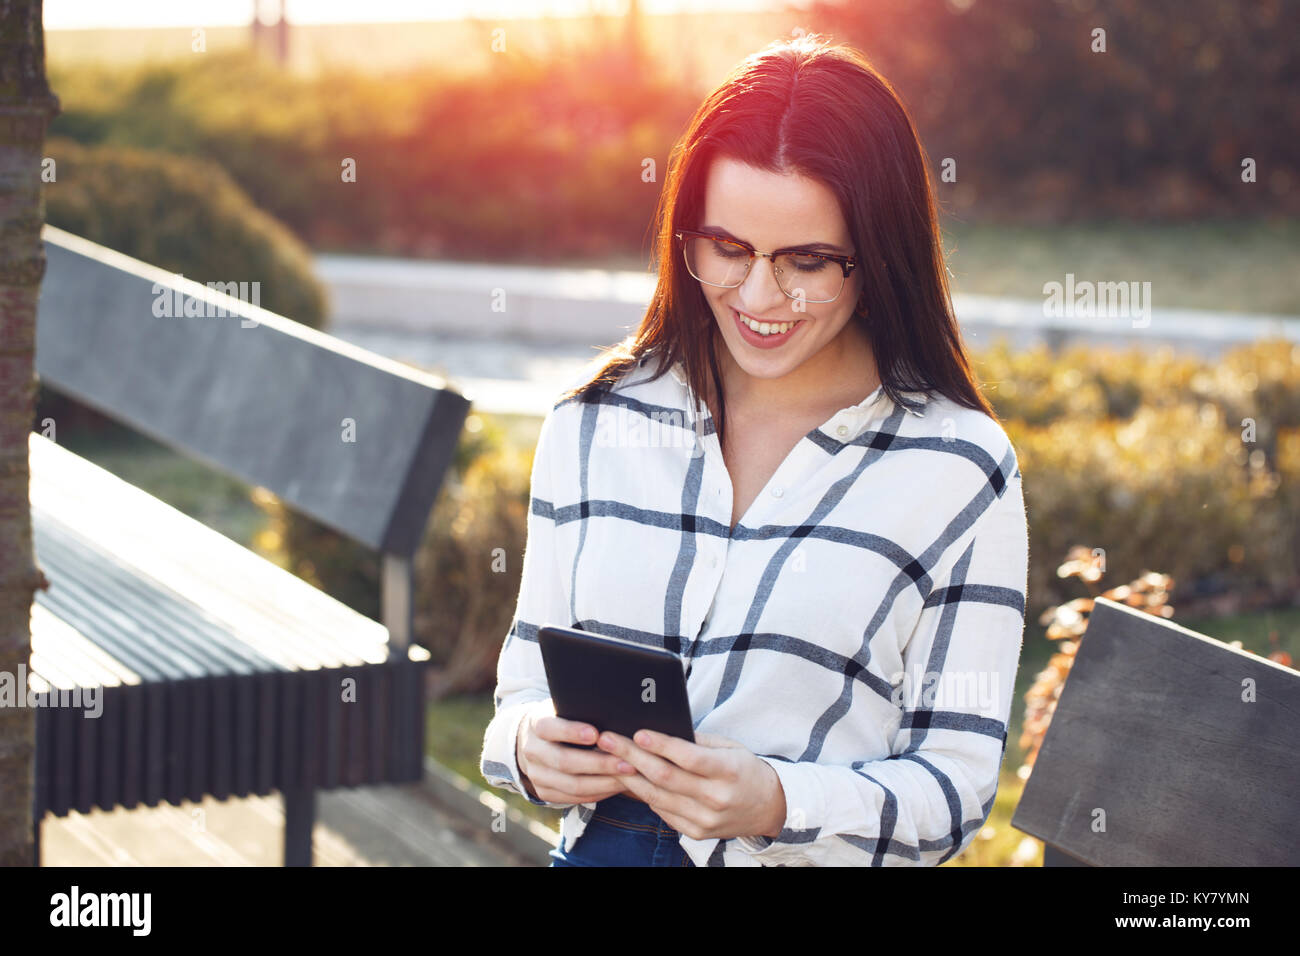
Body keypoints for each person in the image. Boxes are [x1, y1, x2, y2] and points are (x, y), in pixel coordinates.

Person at [479, 32, 1029, 867]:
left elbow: (954, 792)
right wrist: (527, 746)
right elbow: (520, 693)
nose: (760, 297)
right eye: (728, 250)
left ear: (880, 256)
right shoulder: (592, 423)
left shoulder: (959, 470)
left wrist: (778, 800)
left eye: (807, 262)